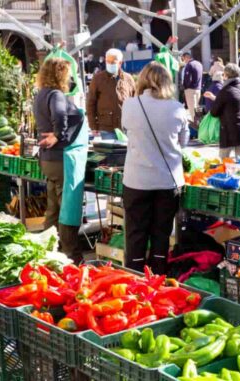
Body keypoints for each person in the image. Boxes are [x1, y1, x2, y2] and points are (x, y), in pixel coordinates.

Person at [121, 62, 189, 274]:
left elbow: (126, 131)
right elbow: (183, 142)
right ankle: (158, 277)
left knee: (136, 232)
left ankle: (134, 277)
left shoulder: (130, 105)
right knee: (161, 232)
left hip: (136, 180)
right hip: (167, 181)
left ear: (142, 80)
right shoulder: (177, 108)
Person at [34, 58, 88, 263]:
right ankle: (71, 255)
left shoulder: (41, 95)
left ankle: (47, 252)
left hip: (48, 160)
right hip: (61, 159)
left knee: (53, 208)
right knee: (67, 207)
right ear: (60, 74)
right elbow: (59, 116)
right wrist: (58, 136)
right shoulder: (56, 94)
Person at [87, 48, 136, 140]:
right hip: (106, 127)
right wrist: (93, 125)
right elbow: (90, 103)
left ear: (120, 63)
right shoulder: (98, 79)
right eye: (108, 61)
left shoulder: (128, 79)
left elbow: (135, 101)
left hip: (126, 127)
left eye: (113, 62)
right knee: (109, 154)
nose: (110, 64)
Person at [210, 64, 240, 159]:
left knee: (225, 162)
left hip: (229, 132)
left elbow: (214, 112)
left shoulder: (225, 91)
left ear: (226, 76)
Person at [181, 52, 204, 125]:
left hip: (190, 89)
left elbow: (187, 77)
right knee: (197, 107)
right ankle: (201, 123)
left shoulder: (189, 65)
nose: (183, 61)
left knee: (192, 110)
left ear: (186, 57)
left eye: (183, 59)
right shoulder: (199, 64)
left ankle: (196, 126)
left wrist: (185, 86)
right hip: (198, 88)